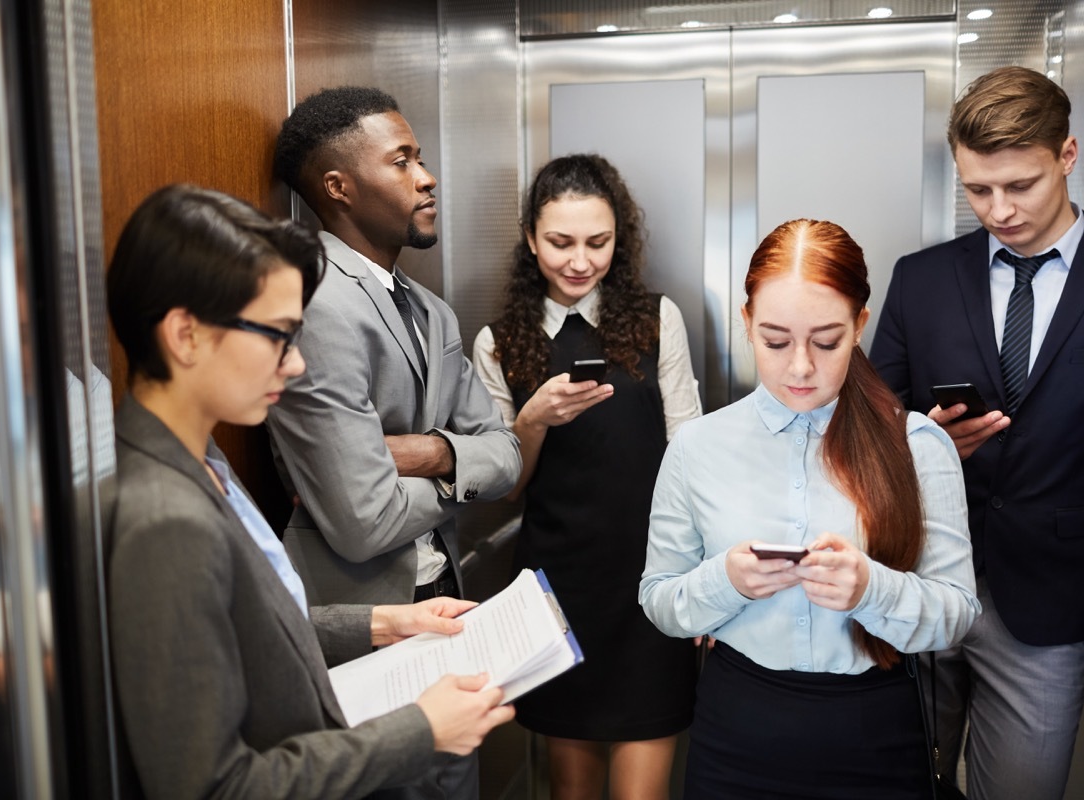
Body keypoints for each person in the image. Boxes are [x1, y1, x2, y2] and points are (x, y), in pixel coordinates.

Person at [104, 184, 514, 800]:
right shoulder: (164, 518)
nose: (295, 365)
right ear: (185, 336)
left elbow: (248, 624)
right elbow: (215, 786)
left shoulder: (201, 458)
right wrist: (421, 730)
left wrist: (382, 622)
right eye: (276, 335)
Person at [870, 65, 1084, 799]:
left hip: (1049, 601)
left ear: (1067, 155)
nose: (998, 210)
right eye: (977, 190)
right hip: (919, 579)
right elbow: (865, 431)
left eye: (1019, 185)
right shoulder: (921, 279)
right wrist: (921, 446)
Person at [641, 218, 980, 799]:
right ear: (746, 324)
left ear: (859, 328)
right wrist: (726, 582)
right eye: (775, 341)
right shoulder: (697, 447)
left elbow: (957, 614)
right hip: (737, 729)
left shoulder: (918, 445)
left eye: (826, 342)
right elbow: (659, 601)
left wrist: (870, 590)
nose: (800, 366)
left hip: (877, 731)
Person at [266, 86, 521, 800]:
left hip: (441, 608)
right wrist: (457, 473)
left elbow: (506, 456)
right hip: (361, 631)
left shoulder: (429, 309)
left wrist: (431, 450)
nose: (427, 175)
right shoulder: (316, 302)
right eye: (402, 160)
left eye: (422, 157)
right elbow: (363, 520)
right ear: (338, 186)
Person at [472, 154, 701, 799]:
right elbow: (505, 485)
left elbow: (688, 448)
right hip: (559, 589)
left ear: (618, 238)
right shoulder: (500, 341)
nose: (579, 261)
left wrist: (700, 571)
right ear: (529, 239)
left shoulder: (657, 319)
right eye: (560, 243)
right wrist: (533, 418)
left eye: (597, 243)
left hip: (652, 580)